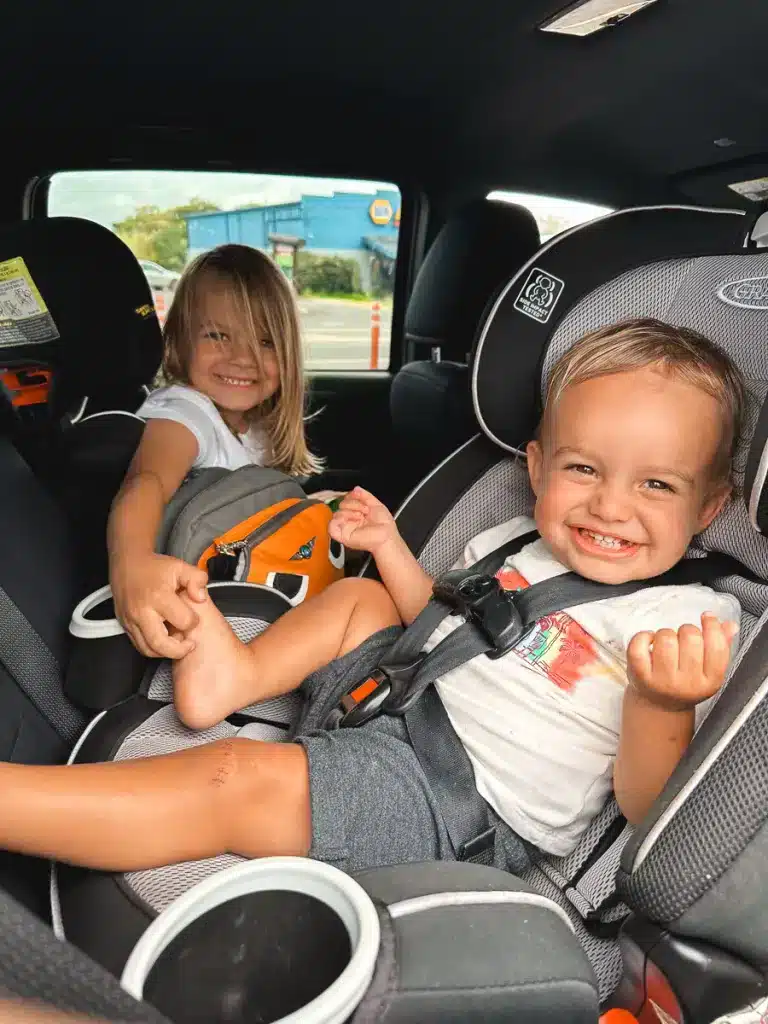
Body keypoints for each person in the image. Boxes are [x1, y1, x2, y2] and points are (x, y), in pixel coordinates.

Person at [0, 319, 744, 876]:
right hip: (396, 697)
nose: (610, 507)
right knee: (366, 602)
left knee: (234, 778)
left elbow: (649, 804)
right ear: (540, 465)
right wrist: (389, 548)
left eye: (656, 484)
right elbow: (440, 616)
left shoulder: (685, 622)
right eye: (584, 469)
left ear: (710, 505)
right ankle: (238, 676)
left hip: (456, 798)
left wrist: (663, 702)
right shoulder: (524, 539)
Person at [108, 243, 322, 661]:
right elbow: (145, 482)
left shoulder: (256, 426)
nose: (242, 358)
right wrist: (131, 565)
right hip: (208, 620)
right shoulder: (185, 412)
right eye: (218, 335)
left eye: (265, 341)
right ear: (180, 342)